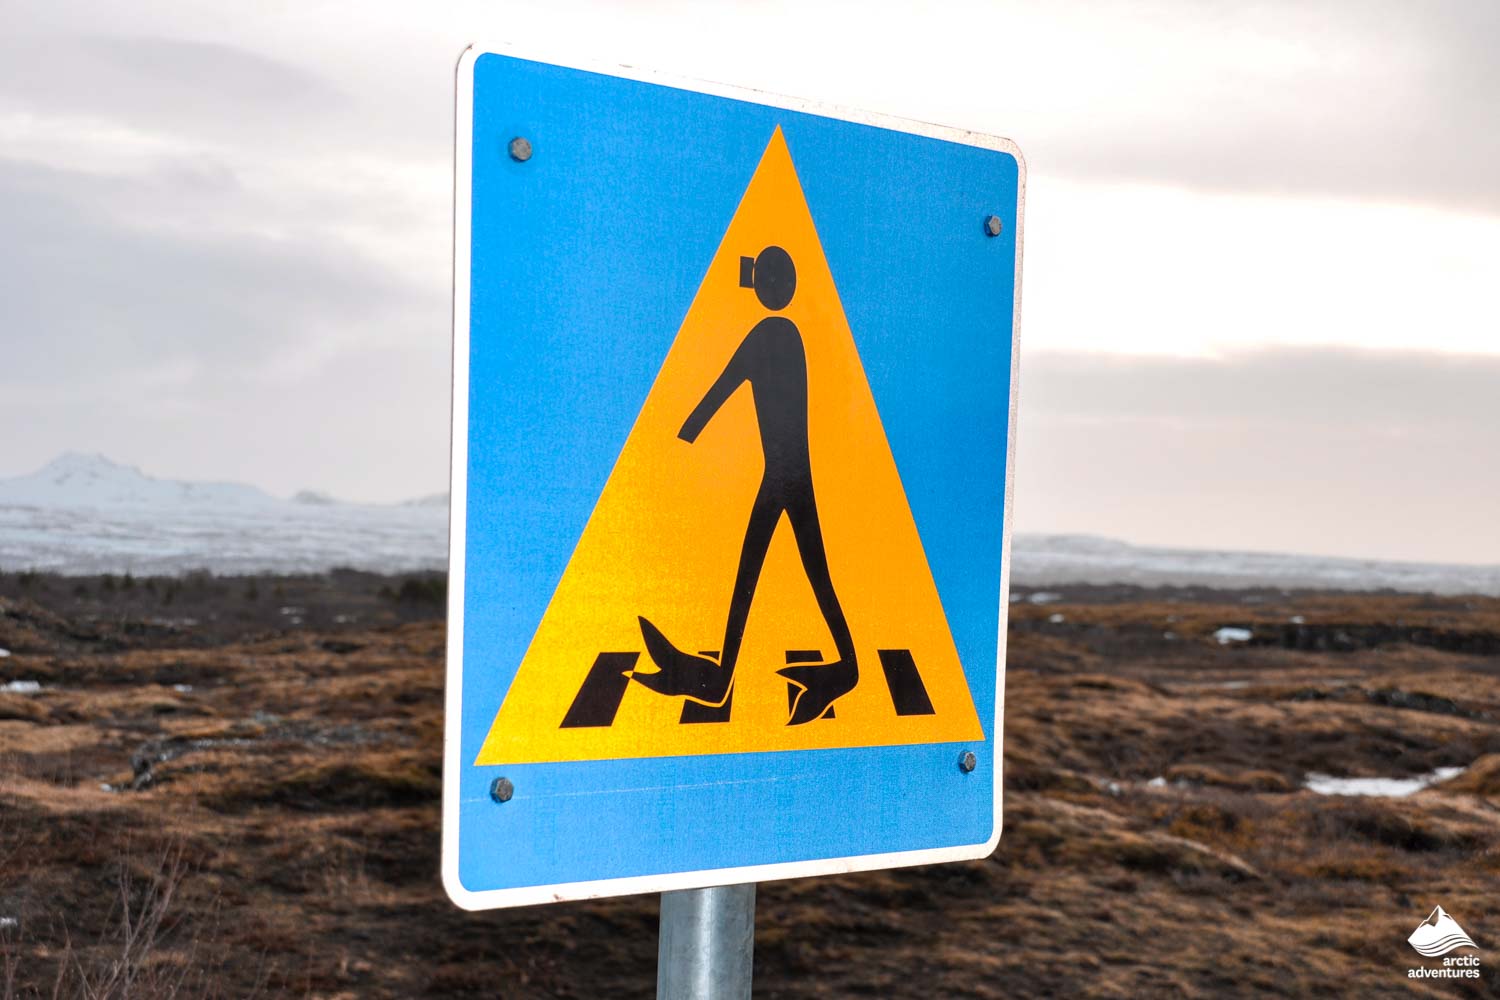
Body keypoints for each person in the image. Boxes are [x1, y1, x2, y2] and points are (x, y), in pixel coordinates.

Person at [629, 245, 858, 725]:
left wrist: (679, 439)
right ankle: (734, 676)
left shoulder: (772, 334)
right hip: (787, 474)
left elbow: (721, 387)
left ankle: (741, 677)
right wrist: (684, 435)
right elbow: (726, 386)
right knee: (788, 571)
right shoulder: (785, 334)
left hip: (787, 475)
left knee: (782, 572)